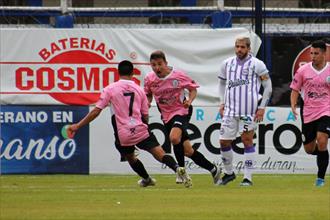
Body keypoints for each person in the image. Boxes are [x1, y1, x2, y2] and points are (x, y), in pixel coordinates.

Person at [67, 60, 191, 188]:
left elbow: (96, 111)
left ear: (118, 72)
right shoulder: (139, 90)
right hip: (140, 128)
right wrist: (144, 128)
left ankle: (147, 179)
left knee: (131, 158)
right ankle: (177, 168)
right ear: (132, 73)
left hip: (123, 133)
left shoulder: (110, 89)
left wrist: (77, 125)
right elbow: (145, 115)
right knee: (160, 154)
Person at [144, 50, 221, 186]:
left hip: (182, 110)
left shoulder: (178, 75)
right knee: (188, 150)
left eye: (160, 64)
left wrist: (189, 101)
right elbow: (148, 94)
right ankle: (213, 169)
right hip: (166, 115)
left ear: (166, 63)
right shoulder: (150, 79)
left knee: (174, 138)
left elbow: (193, 89)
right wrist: (148, 102)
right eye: (153, 65)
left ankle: (181, 172)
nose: (157, 68)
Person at [218, 37, 272, 186]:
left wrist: (261, 108)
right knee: (223, 142)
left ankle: (248, 178)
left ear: (248, 48)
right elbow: (221, 84)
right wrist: (221, 102)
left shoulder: (257, 64)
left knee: (247, 141)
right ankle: (229, 174)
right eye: (237, 46)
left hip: (248, 111)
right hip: (229, 111)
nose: (239, 49)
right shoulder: (227, 64)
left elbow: (268, 87)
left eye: (242, 47)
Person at [290, 40, 329, 187]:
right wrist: (293, 104)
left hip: (326, 110)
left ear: (324, 53)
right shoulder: (303, 71)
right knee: (309, 149)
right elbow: (295, 89)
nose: (313, 56)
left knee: (322, 139)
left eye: (316, 53)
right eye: (311, 53)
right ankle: (324, 156)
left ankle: (320, 178)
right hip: (308, 112)